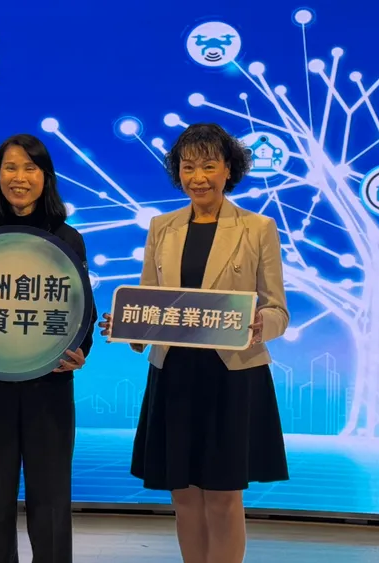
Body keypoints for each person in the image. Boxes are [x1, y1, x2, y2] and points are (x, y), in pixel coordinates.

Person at [99, 123, 289, 563]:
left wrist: (261, 324)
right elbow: (150, 301)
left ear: (228, 170)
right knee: (183, 495)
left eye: (208, 166)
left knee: (223, 497)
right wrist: (128, 327)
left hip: (232, 374)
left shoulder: (258, 228)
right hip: (174, 374)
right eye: (188, 167)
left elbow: (278, 309)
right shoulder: (161, 227)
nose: (197, 177)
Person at [0, 134, 97, 563]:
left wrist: (80, 351)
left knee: (51, 499)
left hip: (50, 383)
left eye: (31, 168)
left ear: (46, 177)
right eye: (10, 167)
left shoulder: (67, 238)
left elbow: (83, 311)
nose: (20, 177)